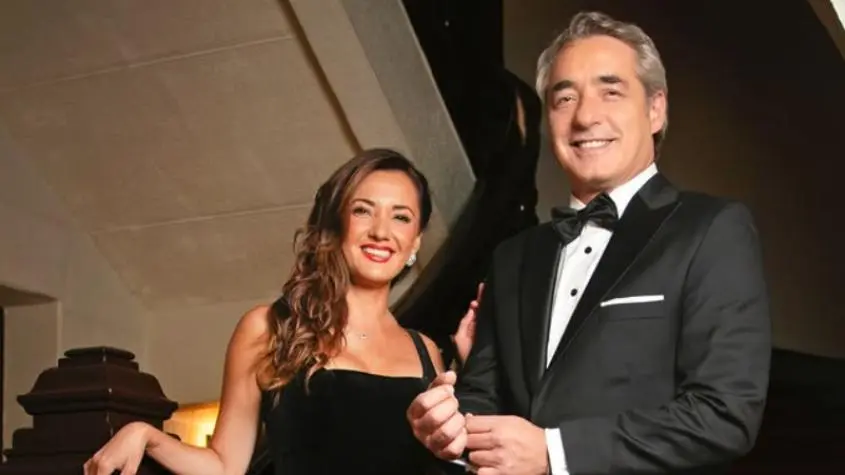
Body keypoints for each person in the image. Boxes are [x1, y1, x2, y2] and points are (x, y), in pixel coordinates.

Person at [408, 11, 771, 475]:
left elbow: (724, 415)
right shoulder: (513, 256)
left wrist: (553, 453)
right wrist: (450, 429)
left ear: (656, 109)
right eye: (565, 98)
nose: (585, 117)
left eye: (610, 92)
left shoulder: (711, 229)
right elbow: (485, 396)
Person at [83, 148, 476, 475]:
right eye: (362, 211)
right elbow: (224, 466)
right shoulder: (268, 328)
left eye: (401, 217)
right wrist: (145, 435)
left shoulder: (426, 351)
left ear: (415, 242)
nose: (380, 231)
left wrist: (471, 371)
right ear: (337, 224)